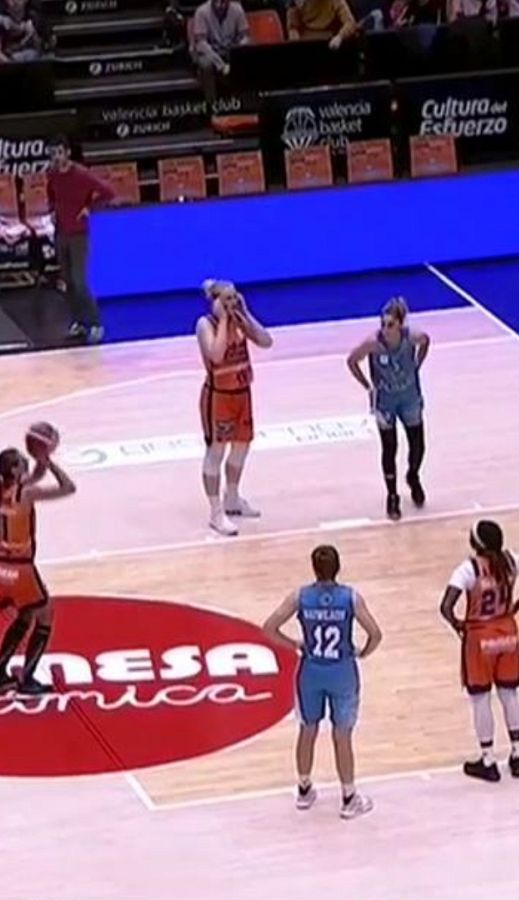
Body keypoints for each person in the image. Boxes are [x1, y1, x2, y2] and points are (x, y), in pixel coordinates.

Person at [261, 544, 383, 820]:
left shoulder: (300, 596)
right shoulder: (351, 597)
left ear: (314, 569)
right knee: (342, 736)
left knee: (307, 729)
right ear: (338, 568)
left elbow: (269, 627)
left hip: (311, 670)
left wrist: (294, 644)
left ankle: (304, 790)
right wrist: (363, 652)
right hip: (342, 672)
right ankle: (349, 797)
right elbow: (375, 634)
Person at [439, 519, 519, 781]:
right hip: (508, 633)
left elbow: (445, 607)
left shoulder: (468, 569)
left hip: (480, 636)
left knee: (480, 698)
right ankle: (518, 754)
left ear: (475, 543)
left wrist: (458, 625)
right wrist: (518, 605)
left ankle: (488, 759)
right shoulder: (512, 561)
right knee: (509, 694)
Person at [0, 440, 77, 695]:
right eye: (22, 461)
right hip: (18, 569)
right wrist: (50, 463)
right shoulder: (25, 493)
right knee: (45, 615)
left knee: (26, 616)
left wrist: (40, 463)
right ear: (14, 470)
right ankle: (27, 679)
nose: (27, 463)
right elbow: (69, 488)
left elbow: (33, 477)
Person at [197, 279, 272, 536]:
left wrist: (246, 314)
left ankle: (232, 497)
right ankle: (215, 512)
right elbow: (216, 355)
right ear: (215, 302)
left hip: (243, 394)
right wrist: (226, 320)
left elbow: (265, 340)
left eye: (233, 298)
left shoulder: (240, 319)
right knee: (216, 452)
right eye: (226, 299)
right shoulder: (206, 324)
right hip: (219, 397)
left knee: (241, 448)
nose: (231, 303)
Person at [347, 296, 430, 521]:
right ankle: (392, 495)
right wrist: (368, 386)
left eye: (390, 324)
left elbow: (426, 341)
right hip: (385, 402)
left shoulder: (411, 337)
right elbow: (351, 360)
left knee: (418, 445)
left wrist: (417, 366)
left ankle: (413, 476)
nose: (385, 329)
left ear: (401, 324)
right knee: (389, 448)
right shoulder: (373, 343)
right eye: (383, 324)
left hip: (409, 397)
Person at [46, 135, 115, 343]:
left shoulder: (81, 174)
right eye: (52, 153)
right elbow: (52, 193)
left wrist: (89, 208)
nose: (56, 158)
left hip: (78, 233)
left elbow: (108, 192)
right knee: (67, 282)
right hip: (61, 232)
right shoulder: (52, 174)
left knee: (79, 281)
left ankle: (96, 323)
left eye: (59, 152)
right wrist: (52, 209)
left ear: (67, 152)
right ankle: (78, 322)